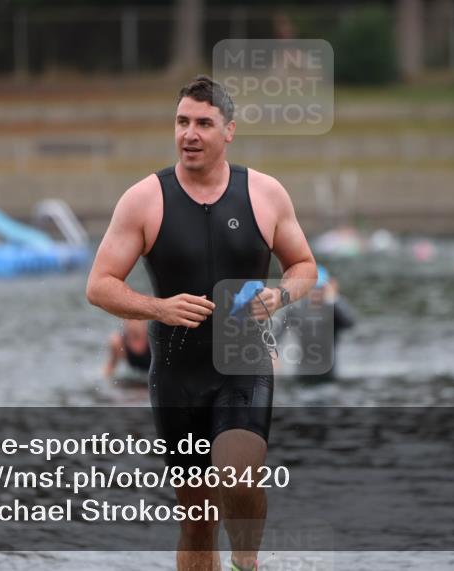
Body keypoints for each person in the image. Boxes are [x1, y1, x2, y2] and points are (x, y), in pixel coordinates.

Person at [86, 75, 317, 571]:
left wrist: (278, 295)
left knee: (237, 475)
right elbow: (99, 285)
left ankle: (247, 563)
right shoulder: (145, 199)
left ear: (228, 131)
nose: (190, 133)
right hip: (176, 372)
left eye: (203, 124)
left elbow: (304, 267)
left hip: (243, 361)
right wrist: (158, 308)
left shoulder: (265, 193)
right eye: (182, 122)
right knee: (196, 515)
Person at [279, 266, 356, 382]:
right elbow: (276, 334)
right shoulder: (296, 309)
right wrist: (272, 357)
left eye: (320, 288)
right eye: (312, 288)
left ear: (327, 288)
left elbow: (350, 323)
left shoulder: (334, 307)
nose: (316, 292)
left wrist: (333, 300)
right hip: (302, 371)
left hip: (330, 372)